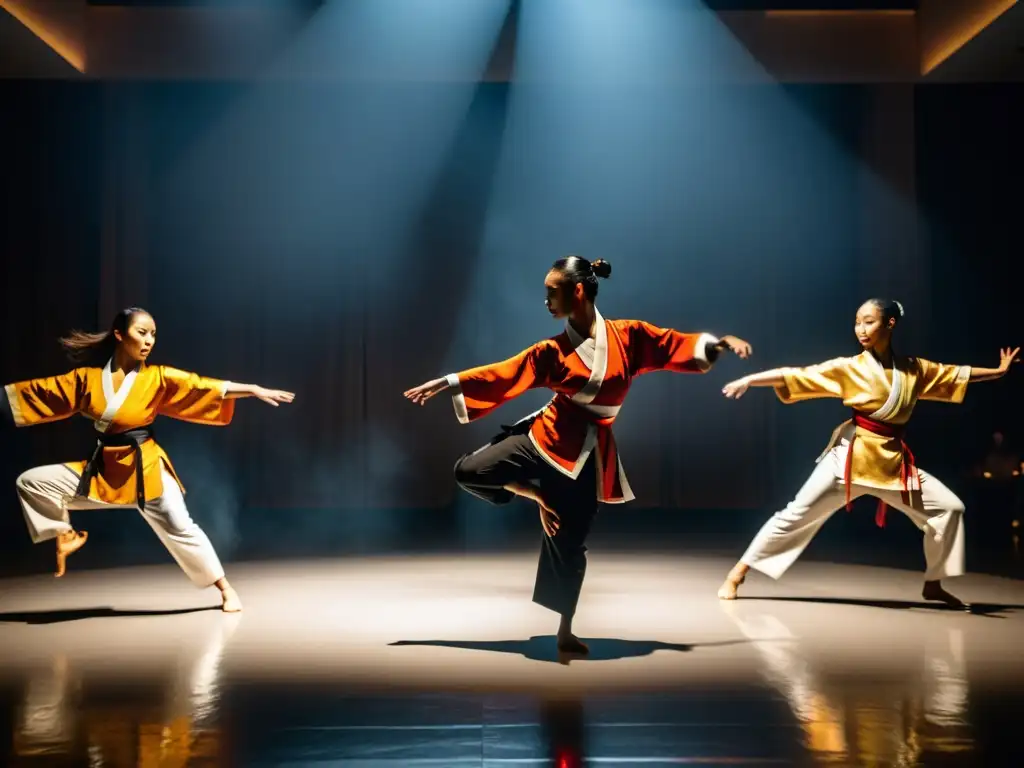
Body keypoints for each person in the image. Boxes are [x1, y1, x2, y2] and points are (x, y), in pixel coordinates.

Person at [404, 256, 752, 653]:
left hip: (586, 455)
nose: (547, 300)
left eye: (553, 292)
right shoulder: (551, 352)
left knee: (570, 543)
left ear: (579, 291)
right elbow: (506, 372)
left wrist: (718, 344)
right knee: (470, 470)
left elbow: (672, 344)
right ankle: (538, 495)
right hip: (544, 437)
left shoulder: (629, 338)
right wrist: (449, 382)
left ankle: (565, 630)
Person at [716, 298, 1019, 607]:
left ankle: (934, 583)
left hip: (892, 465)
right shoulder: (849, 368)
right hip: (849, 460)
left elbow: (956, 374)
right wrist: (749, 380)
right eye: (858, 322)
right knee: (795, 515)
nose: (861, 329)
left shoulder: (914, 369)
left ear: (890, 324)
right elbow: (795, 375)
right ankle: (737, 574)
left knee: (950, 508)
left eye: (869, 321)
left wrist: (997, 371)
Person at [1, 307, 295, 612]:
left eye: (153, 334)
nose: (149, 340)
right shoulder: (86, 380)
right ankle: (64, 533)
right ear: (119, 334)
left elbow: (201, 385)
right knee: (32, 482)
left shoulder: (157, 378)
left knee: (181, 527)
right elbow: (41, 393)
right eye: (142, 332)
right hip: (103, 471)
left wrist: (252, 389)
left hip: (146, 470)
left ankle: (225, 589)